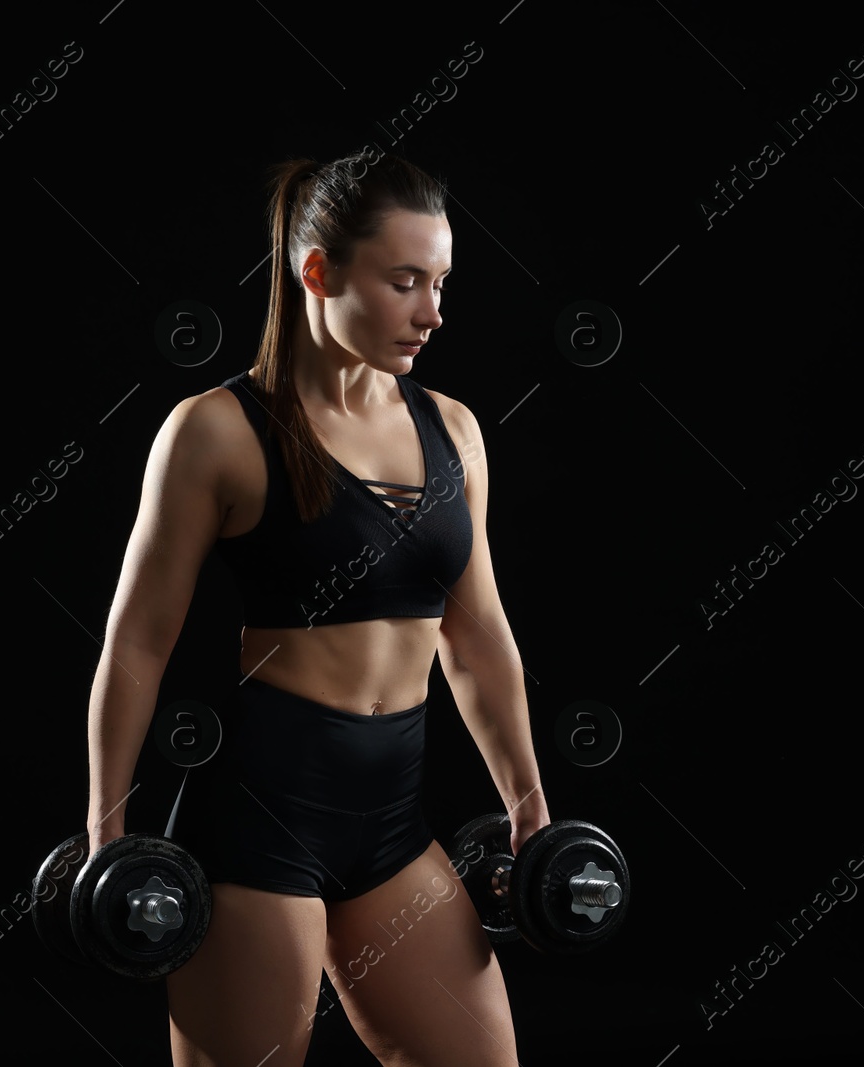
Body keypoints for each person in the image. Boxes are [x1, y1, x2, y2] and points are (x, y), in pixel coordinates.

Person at [85, 151, 549, 1067]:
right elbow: (138, 642)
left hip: (392, 826)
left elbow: (477, 635)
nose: (432, 312)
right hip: (259, 825)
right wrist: (106, 829)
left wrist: (529, 802)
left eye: (442, 282)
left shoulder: (453, 429)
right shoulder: (217, 432)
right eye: (405, 280)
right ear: (318, 272)